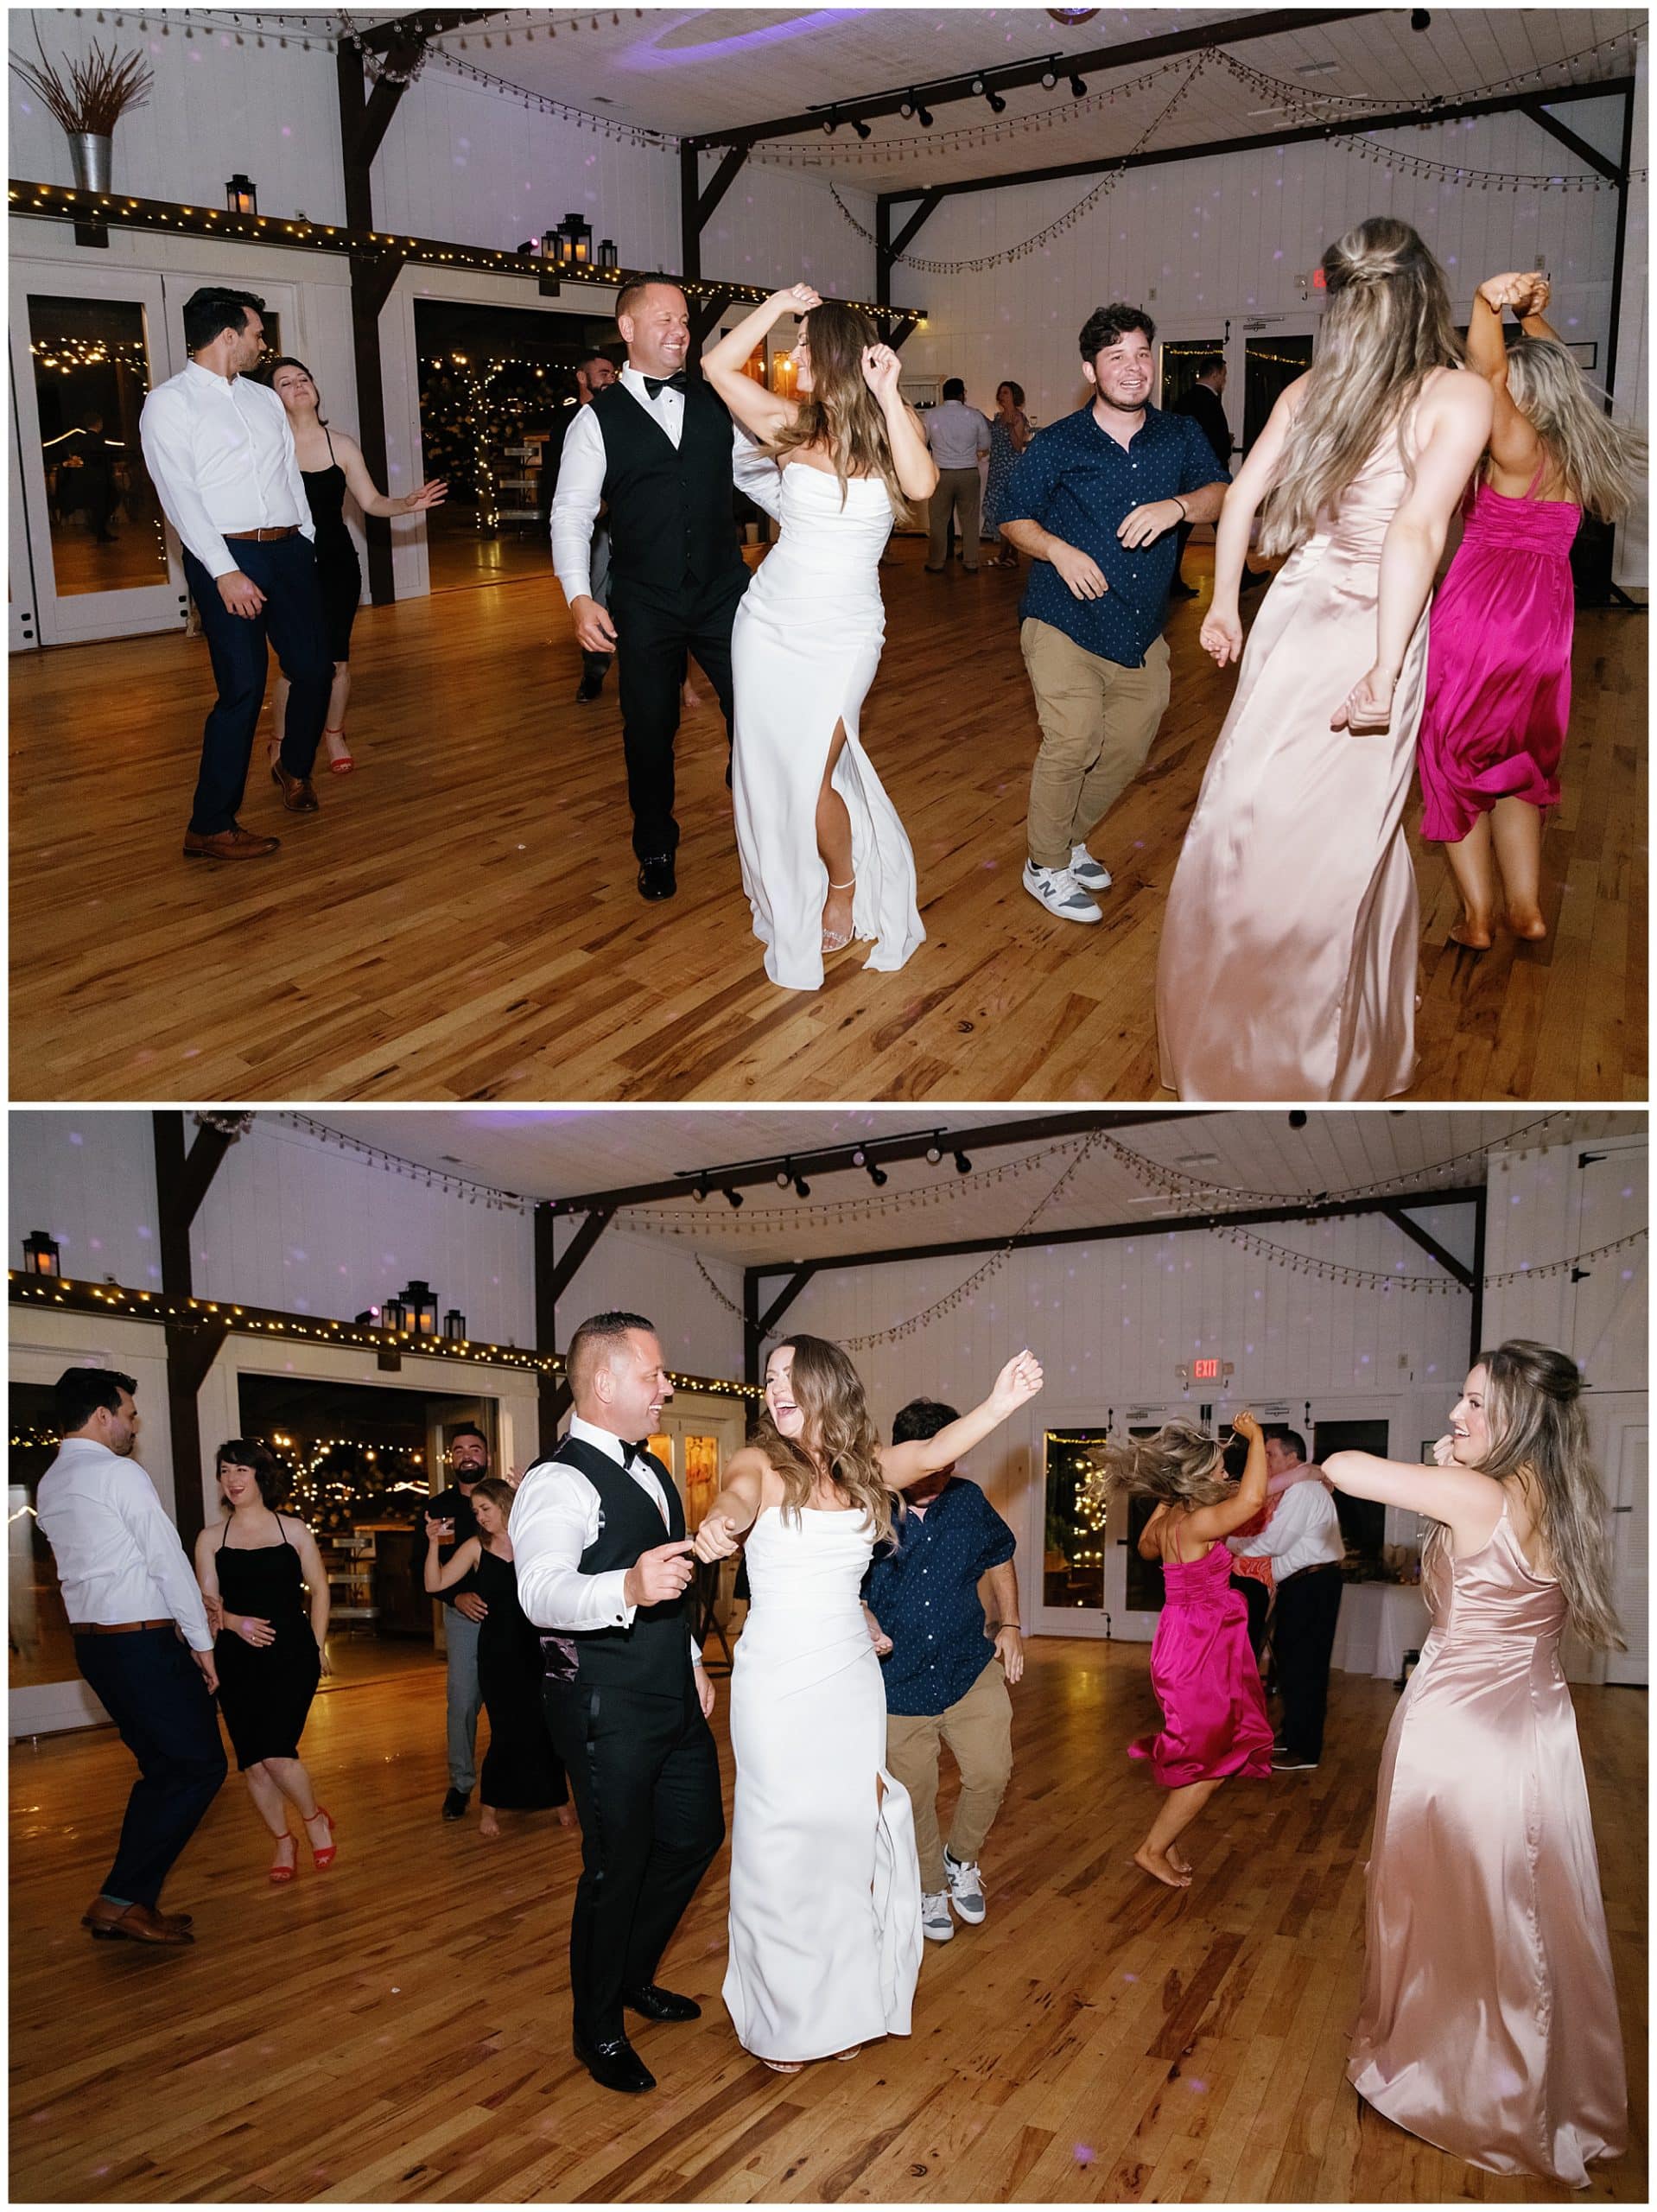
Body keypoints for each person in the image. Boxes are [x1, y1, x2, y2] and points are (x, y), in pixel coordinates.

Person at [1156, 219, 1494, 1100]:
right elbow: (1415, 529)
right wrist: (1386, 665)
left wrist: (1231, 600)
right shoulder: (1455, 396)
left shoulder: (1314, 389)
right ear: (1426, 293)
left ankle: (1288, 1040)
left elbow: (1237, 501)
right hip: (1360, 630)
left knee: (1250, 819)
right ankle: (1304, 1048)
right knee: (1337, 841)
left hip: (1304, 617)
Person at [692, 1338, 1044, 2072]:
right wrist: (721, 1522)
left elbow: (939, 1447)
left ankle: (840, 2005)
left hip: (851, 1679)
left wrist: (1002, 1403)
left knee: (846, 1846)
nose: (775, 1387)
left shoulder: (864, 1473)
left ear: (827, 1385)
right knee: (782, 1846)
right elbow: (736, 1496)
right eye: (769, 1378)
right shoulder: (760, 1463)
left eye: (790, 1375)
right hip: (781, 1681)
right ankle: (784, 2020)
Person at [1325, 1342, 1628, 2187]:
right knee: (1525, 1906)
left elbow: (1343, 1465)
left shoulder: (1478, 1491)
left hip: (1459, 1733)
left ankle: (1461, 2085)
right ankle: (1540, 2087)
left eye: (1472, 1405)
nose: (1454, 1418)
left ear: (1518, 1421)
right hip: (1535, 1725)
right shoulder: (1558, 1494)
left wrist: (1441, 1462)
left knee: (1444, 1905)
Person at [511, 1311, 723, 2096]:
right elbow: (538, 1592)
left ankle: (631, 1975)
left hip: (670, 1691)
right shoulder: (557, 1480)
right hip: (604, 1707)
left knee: (696, 1837)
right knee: (615, 1866)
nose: (666, 1387)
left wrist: (691, 1657)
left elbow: (668, 1584)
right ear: (604, 1383)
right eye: (653, 1375)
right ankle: (595, 2028)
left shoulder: (653, 1469)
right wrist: (625, 1587)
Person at [701, 284, 935, 988]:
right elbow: (717, 368)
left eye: (802, 345)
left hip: (845, 633)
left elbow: (921, 487)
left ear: (834, 352)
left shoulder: (892, 428)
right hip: (768, 623)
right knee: (768, 769)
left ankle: (842, 885)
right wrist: (774, 307)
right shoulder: (789, 425)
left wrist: (890, 392)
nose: (790, 356)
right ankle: (796, 883)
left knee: (811, 776)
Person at [1417, 272, 1646, 949]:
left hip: (1482, 610)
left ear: (1524, 391)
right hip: (1546, 619)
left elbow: (1485, 376)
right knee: (1523, 763)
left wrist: (1491, 304)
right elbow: (1557, 374)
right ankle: (1528, 909)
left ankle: (1478, 918)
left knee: (1449, 756)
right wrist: (1537, 319)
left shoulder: (1513, 445)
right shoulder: (1579, 448)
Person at [998, 303, 1229, 925]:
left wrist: (1178, 507)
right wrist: (1057, 548)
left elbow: (1219, 494)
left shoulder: (1179, 434)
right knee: (1073, 736)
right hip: (1062, 617)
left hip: (1139, 625)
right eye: (1116, 357)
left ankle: (1070, 841)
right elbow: (1013, 514)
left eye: (1141, 354)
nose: (1133, 369)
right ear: (1090, 368)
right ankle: (1045, 863)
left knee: (1128, 745)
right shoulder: (1059, 442)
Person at [550, 276, 752, 902]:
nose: (681, 331)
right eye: (665, 319)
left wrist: (817, 522)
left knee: (761, 708)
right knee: (648, 731)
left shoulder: (720, 400)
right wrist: (579, 595)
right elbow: (572, 513)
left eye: (686, 320)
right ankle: (656, 845)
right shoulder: (594, 421)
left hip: (725, 589)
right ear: (629, 329)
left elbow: (755, 475)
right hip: (645, 599)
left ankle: (746, 786)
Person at [139, 285, 333, 861]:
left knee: (315, 669)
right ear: (228, 336)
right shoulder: (169, 404)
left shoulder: (261, 399)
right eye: (254, 333)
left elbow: (288, 474)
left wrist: (307, 537)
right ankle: (210, 823)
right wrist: (223, 572)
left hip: (288, 550)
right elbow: (180, 497)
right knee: (243, 688)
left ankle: (293, 768)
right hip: (226, 557)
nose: (261, 343)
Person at [35, 1369, 225, 1945]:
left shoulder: (51, 1481)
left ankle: (133, 1900)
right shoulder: (119, 1473)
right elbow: (165, 1559)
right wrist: (203, 1643)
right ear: (101, 1415)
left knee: (162, 1772)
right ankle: (121, 1896)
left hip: (96, 1647)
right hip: (142, 1644)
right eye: (129, 1413)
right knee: (200, 1767)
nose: (133, 1424)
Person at [861, 1398, 1023, 1946]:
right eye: (930, 1467)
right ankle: (931, 1885)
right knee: (914, 1796)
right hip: (895, 1679)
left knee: (991, 1772)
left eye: (948, 1466)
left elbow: (999, 1552)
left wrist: (1011, 1624)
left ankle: (962, 1860)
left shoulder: (968, 1501)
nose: (939, 1478)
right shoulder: (865, 1510)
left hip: (966, 1666)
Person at [1108, 1411, 1274, 1889]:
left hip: (1186, 1641)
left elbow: (1144, 1547)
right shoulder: (1199, 1523)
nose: (1226, 1474)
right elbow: (1254, 1498)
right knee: (1215, 1763)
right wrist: (1257, 1439)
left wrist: (1167, 1497)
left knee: (1204, 1751)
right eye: (1220, 1467)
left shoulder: (1174, 1521)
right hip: (1199, 1649)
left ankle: (1168, 1837)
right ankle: (1151, 1849)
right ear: (1198, 1476)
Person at [263, 356, 448, 774]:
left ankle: (333, 734)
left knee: (336, 661)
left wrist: (405, 504)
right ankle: (281, 739)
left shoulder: (340, 444)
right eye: (286, 382)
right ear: (274, 397)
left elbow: (371, 502)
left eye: (303, 378)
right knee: (294, 665)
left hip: (336, 564)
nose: (298, 386)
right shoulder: (267, 448)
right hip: (287, 565)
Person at [193, 1439, 334, 1883]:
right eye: (225, 1471)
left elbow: (321, 1589)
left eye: (241, 1471)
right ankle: (282, 1841)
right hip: (236, 1658)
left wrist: (317, 1645)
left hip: (291, 1653)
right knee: (253, 1761)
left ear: (260, 1476)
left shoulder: (293, 1530)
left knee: (275, 1753)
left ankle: (313, 1819)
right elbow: (206, 1603)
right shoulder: (211, 1538)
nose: (232, 1480)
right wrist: (233, 1622)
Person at [423, 1475, 575, 1840]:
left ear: (505, 1504)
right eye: (476, 1511)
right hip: (496, 1652)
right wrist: (432, 1545)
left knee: (543, 1727)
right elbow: (434, 1584)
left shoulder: (531, 1541)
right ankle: (489, 1808)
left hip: (536, 1647)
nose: (481, 1517)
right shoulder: (476, 1546)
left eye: (486, 1509)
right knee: (506, 1730)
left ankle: (559, 1801)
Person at [1228, 1427, 1345, 1769]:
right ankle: (1294, 1736)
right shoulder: (1300, 1487)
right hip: (1304, 1584)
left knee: (1305, 1666)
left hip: (1312, 1585)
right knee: (1293, 1665)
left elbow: (1276, 1542)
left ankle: (1305, 1749)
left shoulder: (1305, 1491)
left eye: (1270, 1454)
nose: (1264, 1461)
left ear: (1293, 1458)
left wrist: (1230, 1544)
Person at [416, 1425, 492, 1822]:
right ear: (451, 1459)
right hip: (463, 1621)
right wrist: (456, 1597)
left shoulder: (505, 1501)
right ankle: (461, 1784)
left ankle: (518, 1782)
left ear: (487, 1457)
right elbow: (425, 1572)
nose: (467, 1455)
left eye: (474, 1449)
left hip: (511, 1619)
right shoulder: (438, 1509)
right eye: (459, 1449)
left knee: (514, 1702)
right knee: (462, 1704)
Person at [541, 349, 620, 703]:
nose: (610, 378)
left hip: (628, 523)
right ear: (582, 377)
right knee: (596, 596)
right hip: (594, 527)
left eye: (612, 372)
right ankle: (594, 673)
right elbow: (563, 487)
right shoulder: (569, 422)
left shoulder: (621, 414)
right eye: (602, 373)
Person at [1168, 358, 1269, 597]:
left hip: (1186, 477)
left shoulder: (1184, 399)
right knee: (1226, 527)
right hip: (1208, 480)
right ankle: (1240, 578)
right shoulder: (1210, 401)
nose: (1224, 380)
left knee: (1182, 533)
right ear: (1214, 375)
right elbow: (1214, 442)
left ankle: (1172, 582)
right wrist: (1227, 443)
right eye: (1223, 375)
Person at [923, 378, 993, 574]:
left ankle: (936, 562)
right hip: (968, 472)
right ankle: (971, 561)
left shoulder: (931, 415)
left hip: (941, 474)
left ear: (944, 394)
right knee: (970, 520)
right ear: (962, 394)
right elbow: (985, 444)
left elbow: (922, 441)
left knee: (938, 520)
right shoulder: (974, 415)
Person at [983, 381, 1032, 569]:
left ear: (1014, 396)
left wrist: (1012, 427)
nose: (1001, 396)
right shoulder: (998, 418)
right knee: (999, 511)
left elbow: (1018, 446)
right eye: (1000, 392)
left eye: (1005, 393)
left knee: (1007, 513)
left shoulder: (1018, 417)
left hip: (1010, 470)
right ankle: (1007, 556)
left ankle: (1007, 556)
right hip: (997, 470)